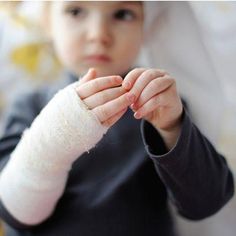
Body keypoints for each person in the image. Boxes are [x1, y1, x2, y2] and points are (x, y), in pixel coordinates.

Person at [0, 2, 234, 236]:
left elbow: (208, 201)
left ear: (145, 28)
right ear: (48, 23)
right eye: (75, 11)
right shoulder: (29, 106)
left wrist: (172, 127)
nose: (99, 34)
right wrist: (56, 134)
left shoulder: (163, 106)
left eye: (122, 14)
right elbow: (14, 212)